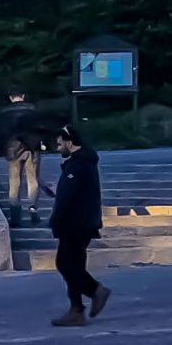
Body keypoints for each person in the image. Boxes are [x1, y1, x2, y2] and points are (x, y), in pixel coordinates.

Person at [49, 123, 109, 327]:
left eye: (59, 144)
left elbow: (69, 196)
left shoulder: (78, 164)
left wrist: (55, 220)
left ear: (69, 142)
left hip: (76, 223)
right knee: (72, 264)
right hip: (81, 222)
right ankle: (78, 308)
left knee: (65, 264)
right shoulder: (81, 162)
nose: (58, 147)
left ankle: (93, 294)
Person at [0, 90, 48, 227]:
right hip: (32, 148)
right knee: (33, 180)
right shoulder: (33, 109)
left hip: (13, 149)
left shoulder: (4, 112)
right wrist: (42, 143)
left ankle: (15, 217)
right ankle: (33, 209)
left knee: (14, 182)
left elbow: (0, 132)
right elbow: (41, 128)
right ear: (23, 96)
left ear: (10, 98)